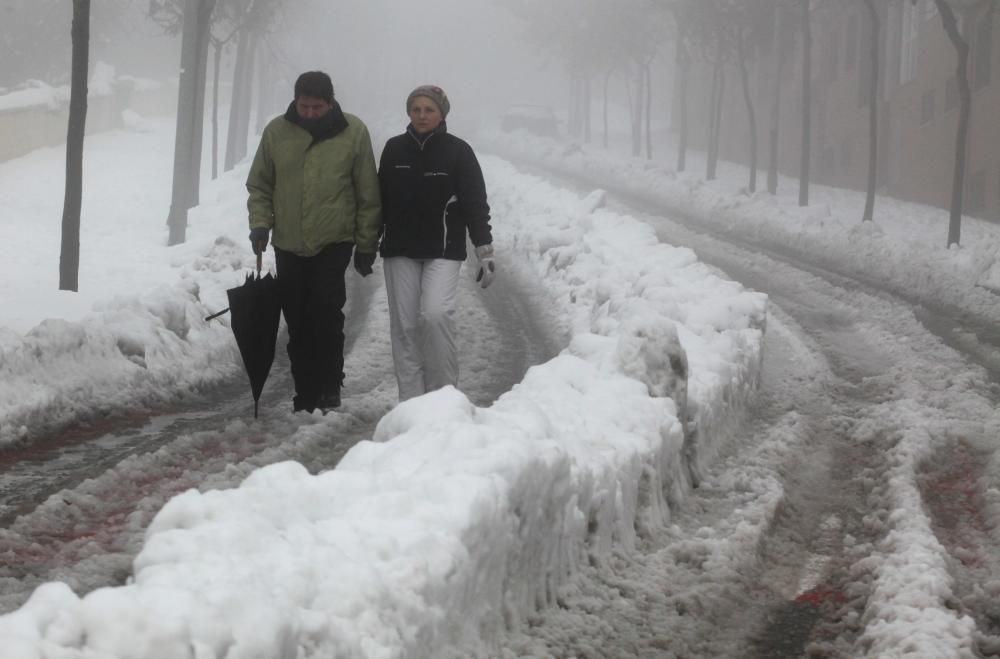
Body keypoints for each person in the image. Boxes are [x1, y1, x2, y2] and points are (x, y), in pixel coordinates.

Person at [246, 71, 381, 413]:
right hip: (288, 241)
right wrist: (261, 225)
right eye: (303, 105)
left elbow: (367, 192)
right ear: (295, 100)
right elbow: (261, 184)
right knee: (297, 319)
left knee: (326, 313)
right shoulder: (277, 131)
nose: (308, 112)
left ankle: (329, 386)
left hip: (334, 240)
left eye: (316, 107)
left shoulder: (353, 132)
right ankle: (304, 391)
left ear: (330, 102)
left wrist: (366, 244)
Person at [377, 84, 496, 401]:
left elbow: (475, 202)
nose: (421, 115)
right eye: (415, 109)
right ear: (408, 112)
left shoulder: (458, 151)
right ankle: (411, 402)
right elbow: (378, 200)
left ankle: (443, 399)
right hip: (399, 249)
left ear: (442, 113)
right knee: (404, 327)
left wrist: (484, 250)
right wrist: (367, 242)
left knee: (435, 315)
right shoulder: (394, 149)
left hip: (443, 249)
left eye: (429, 109)